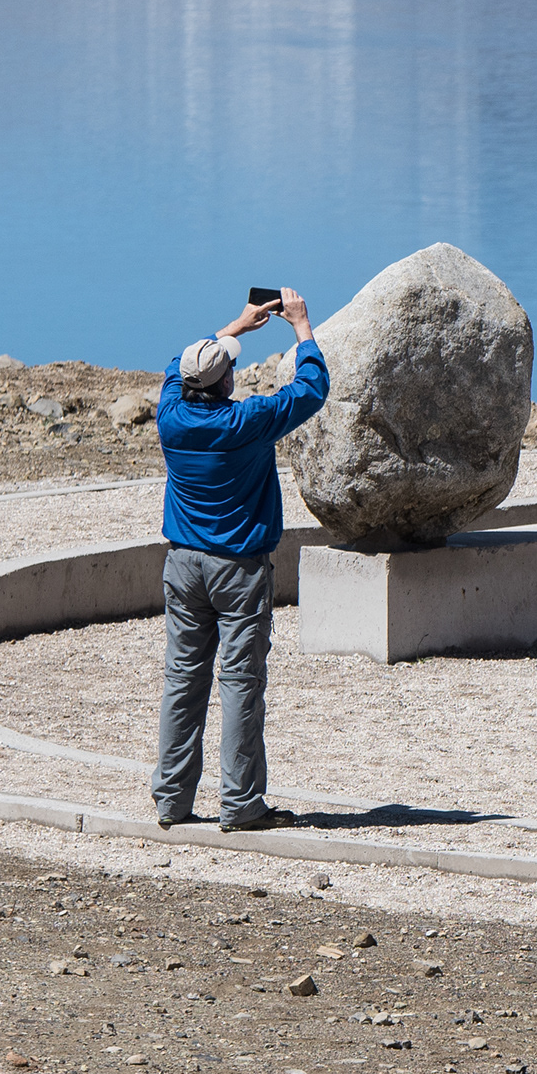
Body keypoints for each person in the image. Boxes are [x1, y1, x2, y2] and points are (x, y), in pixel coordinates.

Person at [153, 289, 326, 830]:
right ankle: (242, 804)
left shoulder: (171, 415)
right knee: (240, 684)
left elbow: (176, 366)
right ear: (225, 382)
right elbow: (311, 389)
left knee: (183, 681)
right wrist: (300, 327)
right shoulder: (244, 422)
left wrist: (239, 326)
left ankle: (172, 801)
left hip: (183, 567)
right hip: (239, 571)